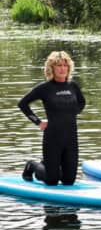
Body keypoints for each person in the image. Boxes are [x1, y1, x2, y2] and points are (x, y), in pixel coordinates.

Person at [17, 51, 85, 185]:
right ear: (51, 68)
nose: (62, 68)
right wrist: (38, 122)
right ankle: (32, 165)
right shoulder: (45, 88)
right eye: (58, 65)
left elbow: (82, 102)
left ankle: (50, 165)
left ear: (69, 68)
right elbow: (22, 103)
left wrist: (70, 114)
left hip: (71, 138)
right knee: (52, 180)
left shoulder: (73, 86)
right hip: (52, 138)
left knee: (69, 181)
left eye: (65, 65)